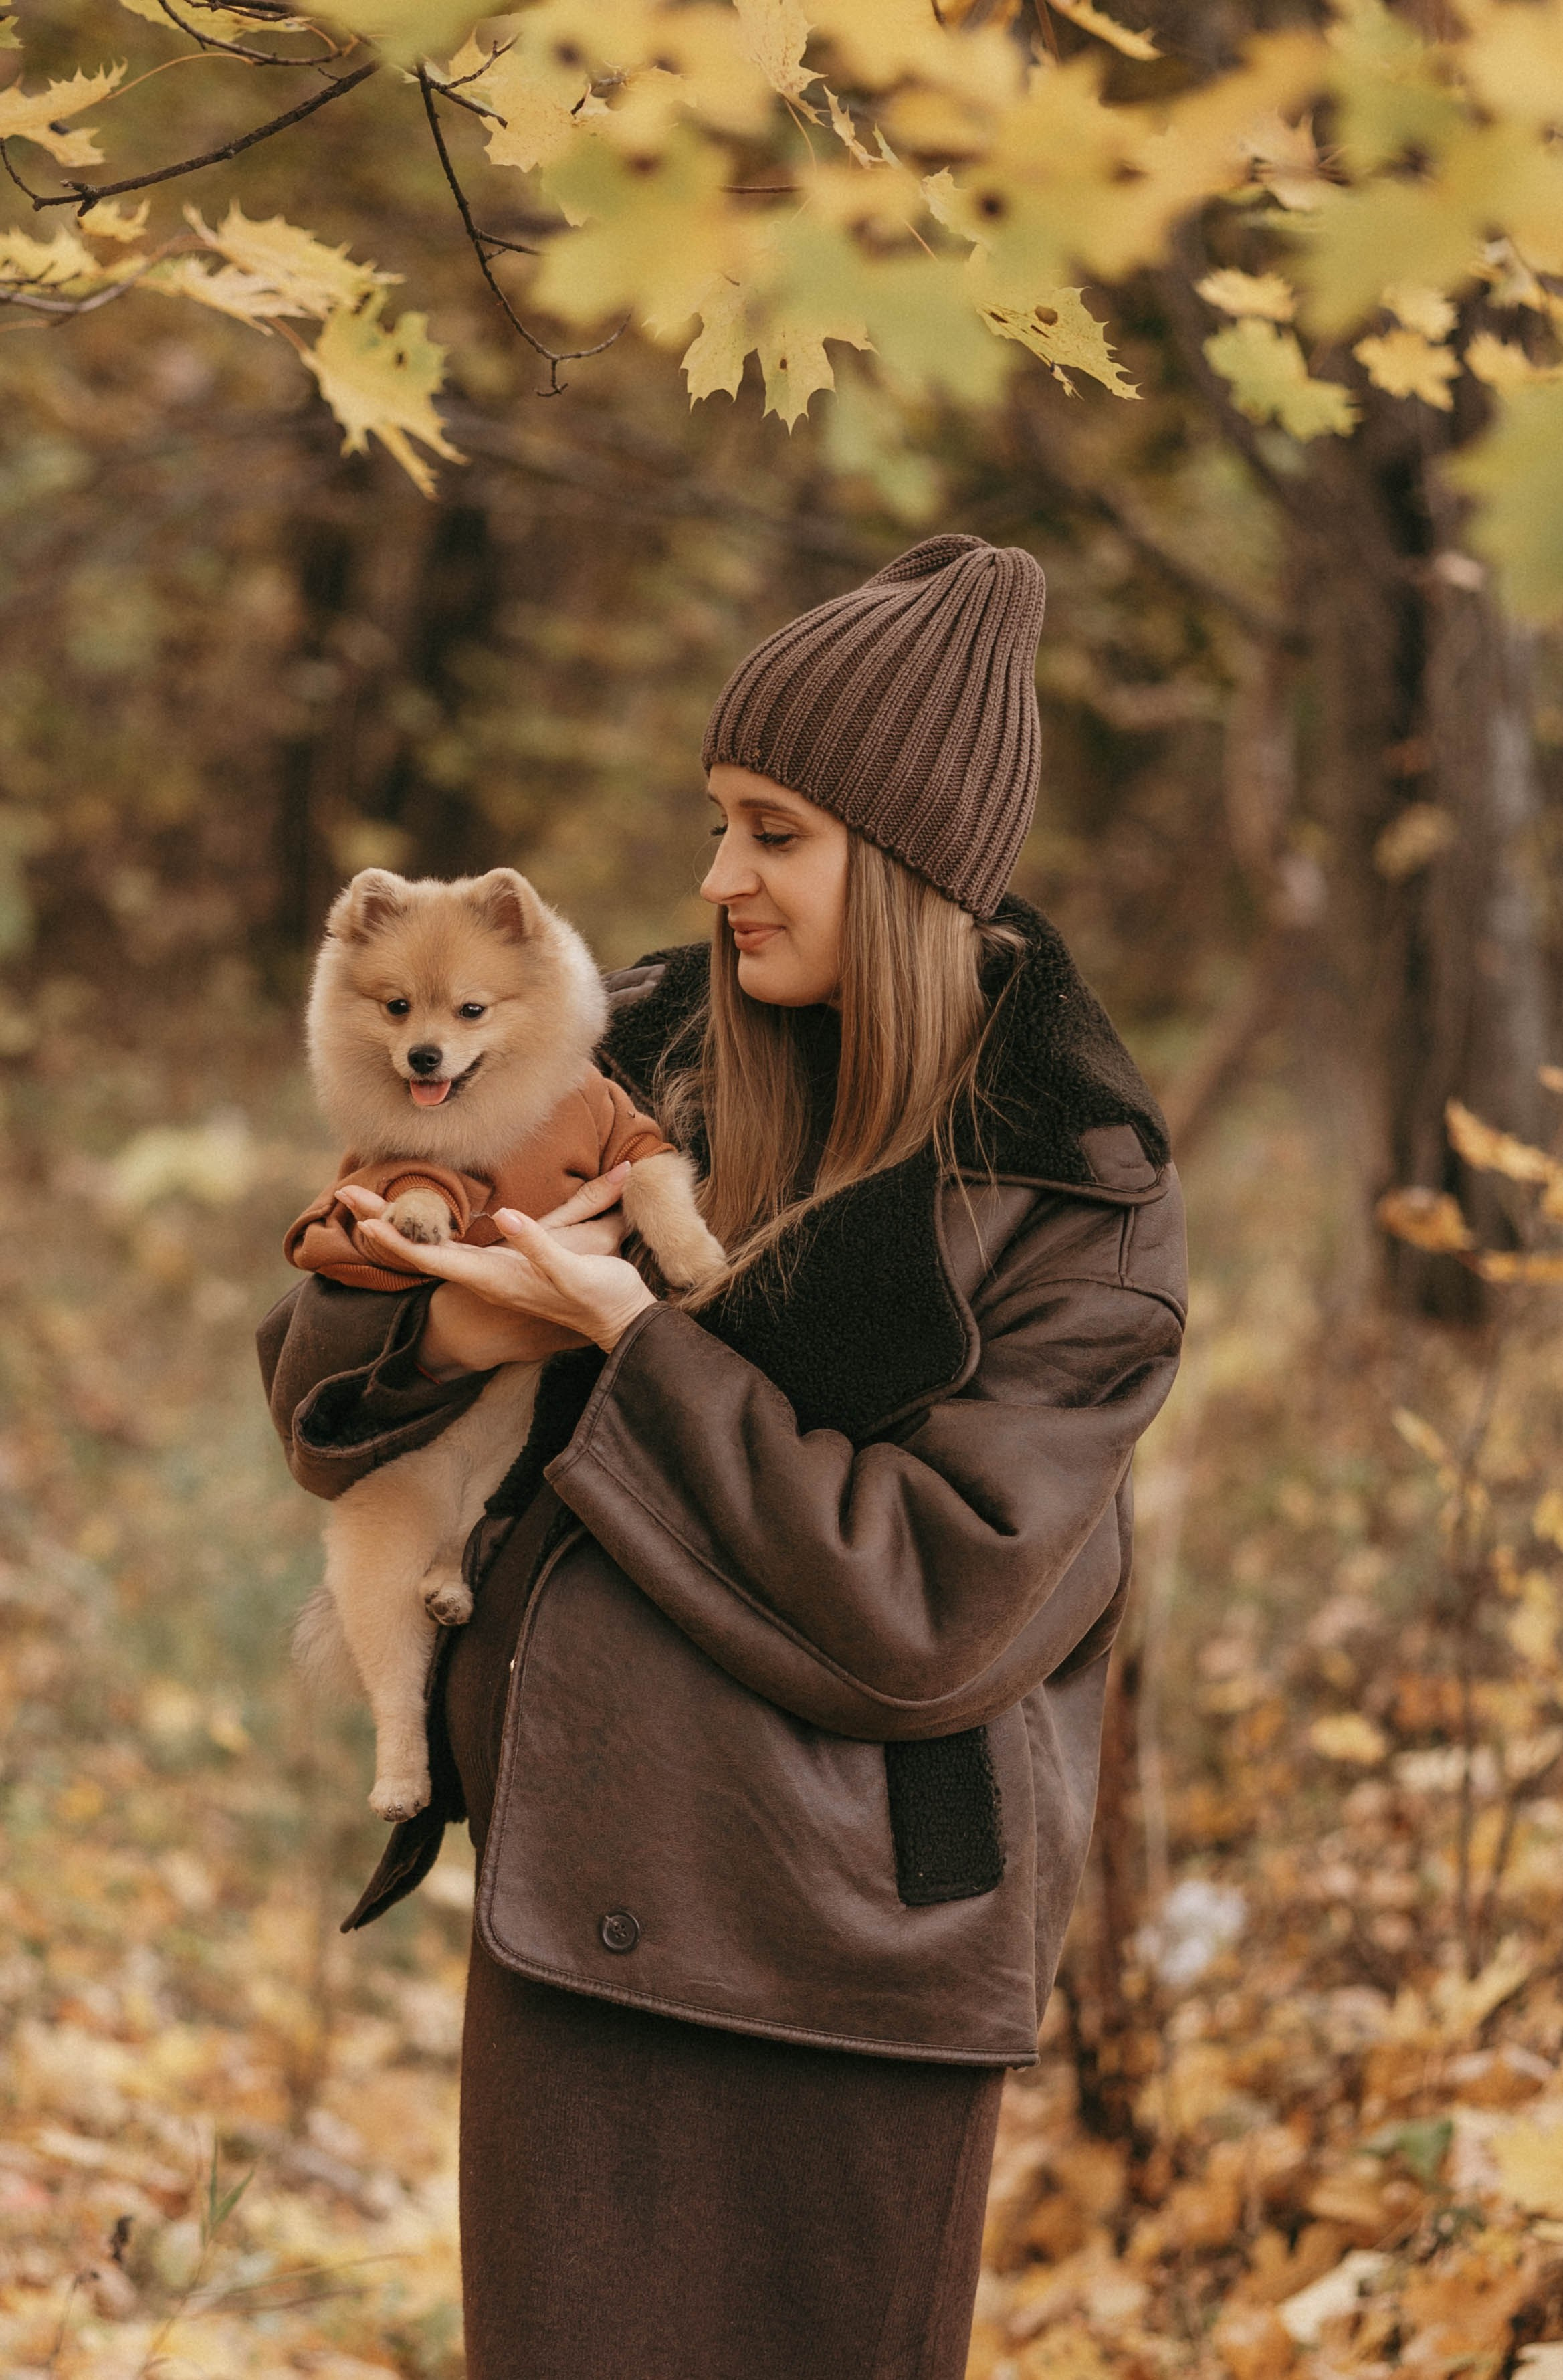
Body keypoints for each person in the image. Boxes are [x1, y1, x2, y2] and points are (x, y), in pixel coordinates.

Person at [258, 533, 1186, 2380]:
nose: (714, 877)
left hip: (852, 1952)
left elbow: (926, 1607)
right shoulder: (642, 1053)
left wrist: (634, 1344)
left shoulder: (1067, 1184)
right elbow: (313, 1392)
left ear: (907, 856)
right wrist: (462, 1327)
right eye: (715, 824)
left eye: (773, 831)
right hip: (581, 1895)